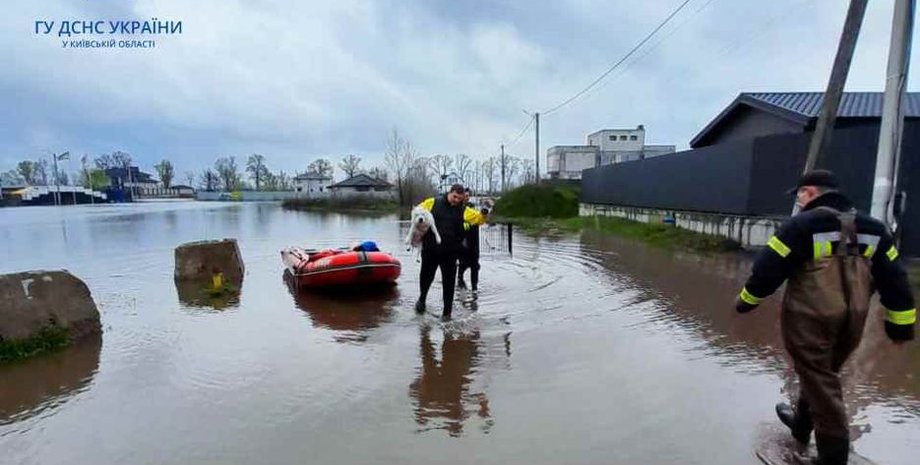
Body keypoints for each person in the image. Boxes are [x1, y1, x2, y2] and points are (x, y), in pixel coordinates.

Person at [735, 170, 915, 465]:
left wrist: (745, 302)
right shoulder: (874, 228)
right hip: (853, 320)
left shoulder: (801, 225)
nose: (798, 201)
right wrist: (901, 328)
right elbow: (895, 280)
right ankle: (801, 425)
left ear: (808, 192)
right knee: (820, 374)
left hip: (810, 318)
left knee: (821, 383)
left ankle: (833, 457)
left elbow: (767, 270)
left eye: (799, 195)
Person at [415, 184, 488, 318]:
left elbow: (477, 219)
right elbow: (417, 211)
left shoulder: (463, 210)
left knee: (449, 283)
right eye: (455, 197)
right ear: (450, 192)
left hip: (450, 253)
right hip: (430, 250)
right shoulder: (432, 203)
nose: (456, 200)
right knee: (426, 277)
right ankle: (422, 300)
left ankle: (447, 314)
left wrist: (484, 213)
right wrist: (417, 230)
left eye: (459, 198)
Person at [458, 188, 483, 292]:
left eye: (468, 196)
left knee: (474, 266)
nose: (467, 198)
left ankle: (474, 288)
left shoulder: (473, 208)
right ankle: (460, 281)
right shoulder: (458, 210)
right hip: (463, 243)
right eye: (465, 196)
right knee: (462, 264)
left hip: (474, 242)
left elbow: (480, 219)